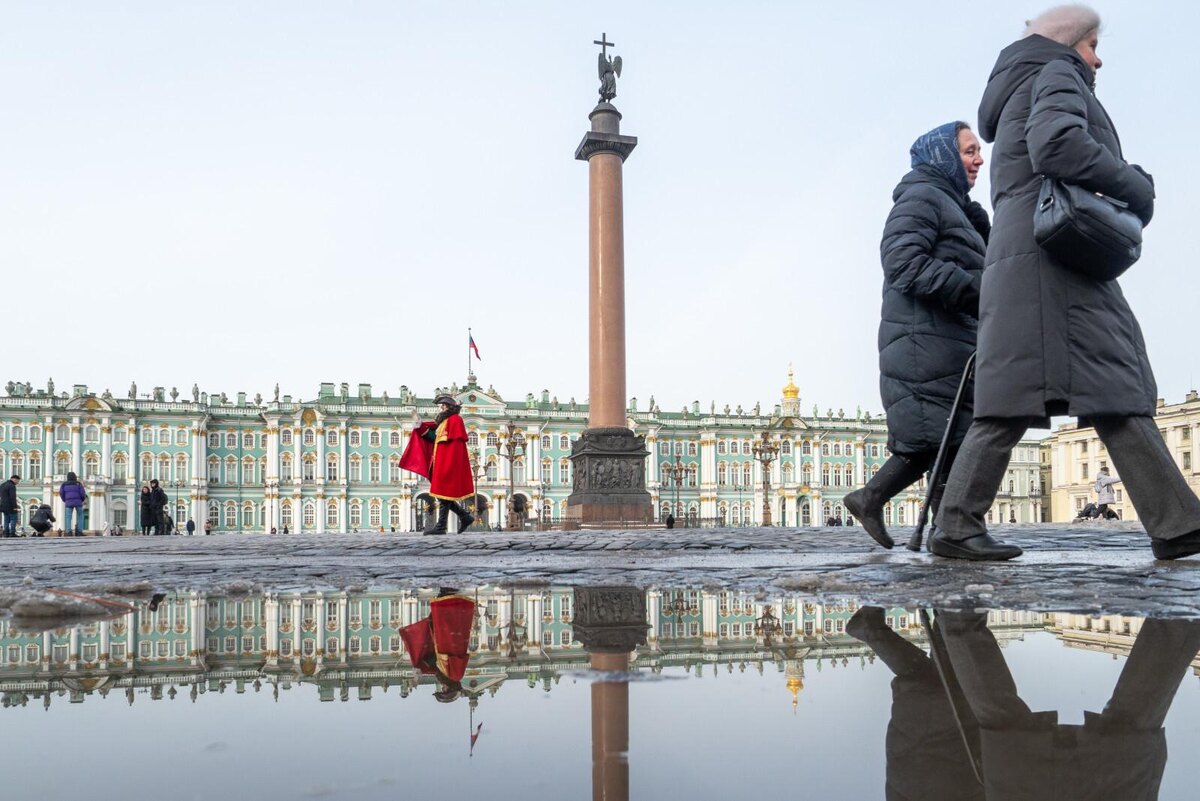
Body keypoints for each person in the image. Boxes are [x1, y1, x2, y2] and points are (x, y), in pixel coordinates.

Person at [930, 5, 1200, 560]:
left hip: (1023, 254)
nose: (1097, 59)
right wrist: (1136, 186)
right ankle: (1178, 524)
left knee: (1013, 393)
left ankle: (956, 523)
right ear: (1068, 41)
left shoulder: (1016, 85)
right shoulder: (1057, 71)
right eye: (1092, 44)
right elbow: (1057, 145)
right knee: (1116, 381)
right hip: (1060, 256)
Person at [844, 121, 988, 549]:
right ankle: (951, 532)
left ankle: (875, 500)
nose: (980, 159)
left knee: (940, 438)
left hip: (945, 339)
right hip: (923, 342)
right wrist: (978, 292)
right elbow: (903, 263)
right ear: (943, 154)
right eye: (968, 151)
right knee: (956, 438)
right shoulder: (923, 197)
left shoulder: (957, 207)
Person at [937, 609, 1200, 798]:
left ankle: (1185, 609)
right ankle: (956, 614)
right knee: (1001, 718)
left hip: (1116, 786)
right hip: (1020, 787)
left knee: (1135, 714)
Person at [846, 607, 985, 801]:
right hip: (913, 755)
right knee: (925, 676)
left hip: (947, 750)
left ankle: (957, 602)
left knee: (949, 668)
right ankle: (871, 628)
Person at [400, 394, 475, 535]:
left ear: (449, 407)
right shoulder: (445, 422)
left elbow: (454, 447)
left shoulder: (455, 420)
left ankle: (442, 526)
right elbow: (434, 438)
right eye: (441, 406)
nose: (440, 409)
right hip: (440, 462)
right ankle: (464, 517)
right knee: (442, 495)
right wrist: (420, 425)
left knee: (443, 495)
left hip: (447, 463)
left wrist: (449, 466)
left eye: (443, 406)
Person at [399, 588, 476, 702]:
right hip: (448, 641)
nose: (442, 687)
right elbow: (454, 659)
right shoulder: (456, 676)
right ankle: (449, 595)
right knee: (445, 620)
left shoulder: (444, 676)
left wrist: (421, 668)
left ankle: (443, 596)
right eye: (444, 690)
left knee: (437, 620)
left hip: (441, 643)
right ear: (450, 689)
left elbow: (435, 662)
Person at [59, 471, 87, 536]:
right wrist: (82, 500)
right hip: (78, 502)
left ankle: (69, 531)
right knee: (80, 516)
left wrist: (65, 500)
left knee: (68, 517)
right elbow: (83, 493)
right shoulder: (78, 484)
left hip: (68, 502)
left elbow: (61, 493)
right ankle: (80, 531)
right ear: (75, 477)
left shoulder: (64, 484)